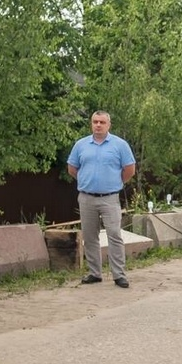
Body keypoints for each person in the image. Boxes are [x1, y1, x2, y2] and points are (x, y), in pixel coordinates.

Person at [67, 111, 136, 288]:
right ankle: (94, 272)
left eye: (102, 122)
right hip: (86, 197)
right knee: (90, 236)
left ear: (109, 124)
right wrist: (86, 181)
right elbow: (72, 168)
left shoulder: (120, 145)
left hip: (110, 198)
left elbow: (129, 169)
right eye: (95, 122)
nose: (98, 125)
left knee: (114, 234)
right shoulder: (81, 145)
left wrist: (116, 182)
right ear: (91, 123)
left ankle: (119, 274)